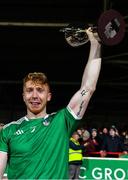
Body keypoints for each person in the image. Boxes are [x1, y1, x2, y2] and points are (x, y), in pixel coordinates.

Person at [0, 28, 101, 179]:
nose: (34, 95)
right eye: (30, 90)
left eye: (40, 90)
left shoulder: (61, 121)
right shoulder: (8, 131)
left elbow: (88, 87)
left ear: (49, 96)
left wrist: (96, 42)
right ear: (23, 96)